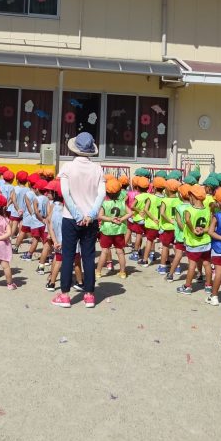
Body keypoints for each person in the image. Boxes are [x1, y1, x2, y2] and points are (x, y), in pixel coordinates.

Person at [52, 131, 103, 309]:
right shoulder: (98, 168)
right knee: (89, 256)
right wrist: (90, 214)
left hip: (70, 218)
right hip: (91, 219)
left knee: (68, 256)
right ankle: (89, 295)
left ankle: (65, 295)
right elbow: (101, 194)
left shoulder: (67, 167)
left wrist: (77, 214)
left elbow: (65, 193)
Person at [178, 184, 212, 295]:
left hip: (193, 243)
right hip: (206, 242)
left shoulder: (189, 210)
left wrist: (193, 230)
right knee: (207, 263)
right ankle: (208, 285)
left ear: (193, 196)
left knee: (192, 265)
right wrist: (203, 230)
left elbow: (187, 220)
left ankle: (187, 286)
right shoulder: (207, 210)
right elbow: (211, 226)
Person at [97, 178, 131, 280]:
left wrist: (110, 219)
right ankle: (122, 272)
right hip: (119, 230)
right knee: (120, 251)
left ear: (106, 192)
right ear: (120, 191)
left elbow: (100, 216)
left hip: (107, 230)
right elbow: (130, 213)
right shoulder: (122, 203)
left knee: (104, 251)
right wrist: (121, 219)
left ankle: (98, 271)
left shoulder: (105, 203)